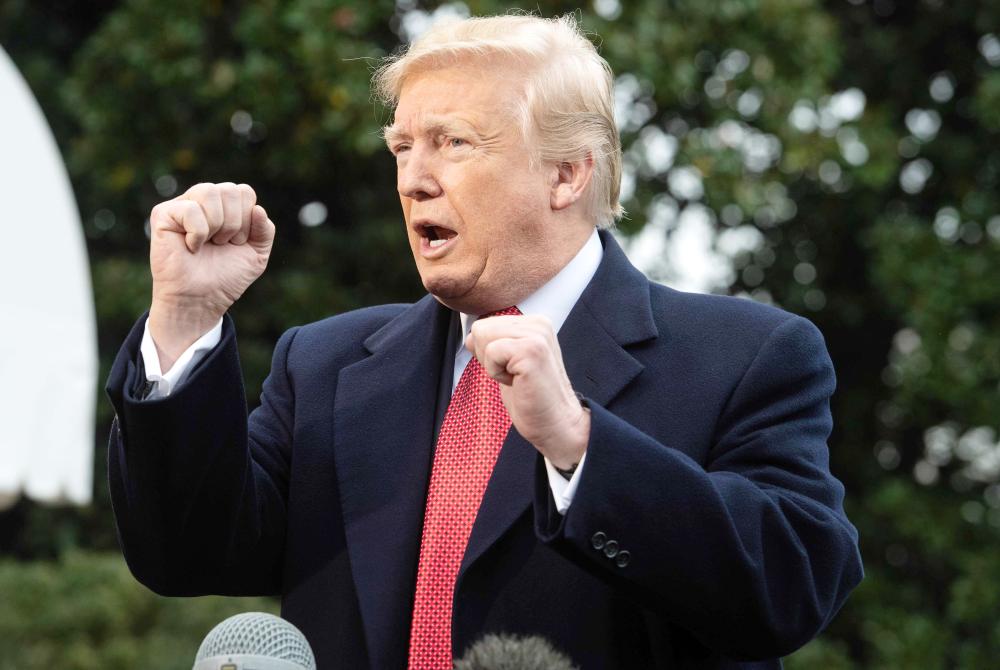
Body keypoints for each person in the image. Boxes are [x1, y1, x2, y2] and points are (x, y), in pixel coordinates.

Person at [106, 14, 863, 670]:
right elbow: (185, 554)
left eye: (453, 143)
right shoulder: (327, 364)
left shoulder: (746, 356)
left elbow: (789, 595)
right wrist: (185, 315)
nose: (412, 180)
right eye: (401, 147)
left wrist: (579, 446)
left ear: (567, 174)